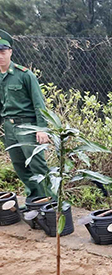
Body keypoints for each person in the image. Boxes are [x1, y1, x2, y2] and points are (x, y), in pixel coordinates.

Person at [0, 29, 51, 198]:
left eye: (3, 51)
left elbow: (39, 103)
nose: (0, 56)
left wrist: (42, 128)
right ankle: (35, 199)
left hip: (27, 126)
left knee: (37, 165)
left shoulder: (24, 75)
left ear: (10, 52)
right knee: (20, 166)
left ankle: (50, 203)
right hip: (9, 128)